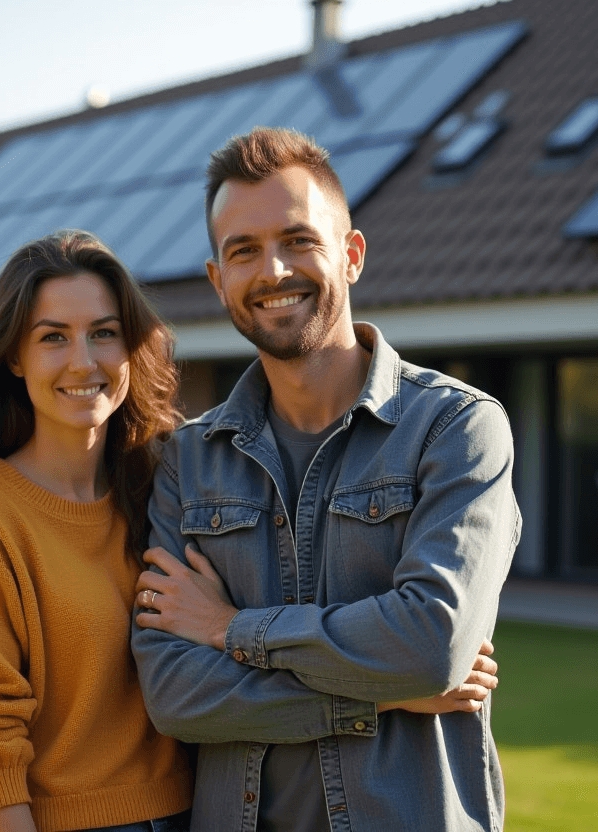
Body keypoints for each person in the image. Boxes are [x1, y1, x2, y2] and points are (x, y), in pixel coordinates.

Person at [131, 128, 520, 832]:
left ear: (352, 254)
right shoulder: (186, 462)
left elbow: (431, 645)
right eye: (243, 251)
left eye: (298, 239)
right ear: (219, 280)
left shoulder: (457, 429)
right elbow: (174, 695)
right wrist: (374, 697)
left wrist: (229, 630)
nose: (273, 269)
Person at [0, 230, 192, 832]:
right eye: (52, 338)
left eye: (103, 332)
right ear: (15, 357)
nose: (83, 362)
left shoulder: (166, 491)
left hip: (199, 810)